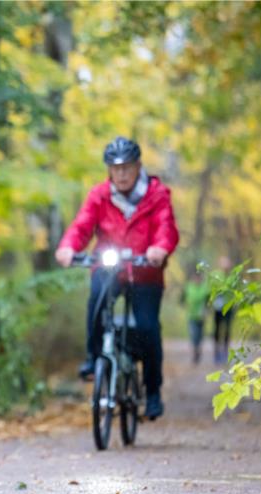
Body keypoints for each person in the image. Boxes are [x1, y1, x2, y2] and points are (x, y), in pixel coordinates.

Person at [55, 137, 179, 420]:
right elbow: (82, 225)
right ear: (109, 170)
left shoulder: (157, 194)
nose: (121, 174)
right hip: (108, 267)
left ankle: (153, 391)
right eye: (116, 168)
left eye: (127, 167)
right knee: (97, 305)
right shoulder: (99, 195)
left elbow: (166, 227)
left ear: (138, 166)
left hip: (145, 271)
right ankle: (93, 358)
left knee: (147, 327)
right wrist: (68, 247)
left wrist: (159, 248)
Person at [180, 271, 211, 364]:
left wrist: (207, 310)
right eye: (195, 278)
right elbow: (181, 300)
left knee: (200, 335)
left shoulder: (205, 288)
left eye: (199, 278)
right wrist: (185, 305)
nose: (197, 280)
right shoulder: (188, 287)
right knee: (193, 335)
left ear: (201, 278)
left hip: (201, 317)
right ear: (192, 278)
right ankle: (195, 352)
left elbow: (209, 301)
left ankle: (198, 350)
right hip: (191, 316)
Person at [212, 255, 235, 364]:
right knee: (217, 329)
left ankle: (225, 352)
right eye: (223, 263)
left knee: (227, 330)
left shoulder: (233, 276)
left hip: (229, 307)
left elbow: (235, 291)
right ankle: (216, 352)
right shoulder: (215, 275)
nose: (225, 265)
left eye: (227, 262)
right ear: (220, 264)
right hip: (218, 307)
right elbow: (212, 288)